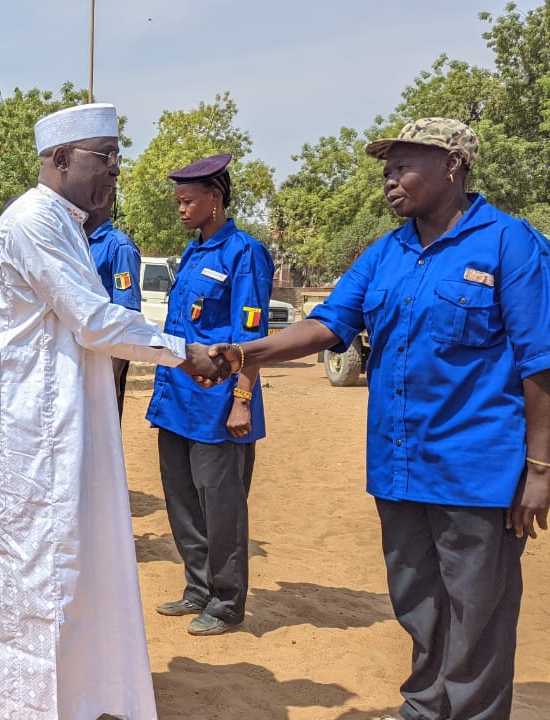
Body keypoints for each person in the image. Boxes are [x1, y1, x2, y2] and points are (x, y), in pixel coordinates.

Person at [207, 117, 550, 720]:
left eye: (403, 166)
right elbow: (329, 324)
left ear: (453, 166)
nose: (390, 181)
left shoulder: (510, 244)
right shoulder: (385, 253)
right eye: (387, 170)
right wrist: (242, 353)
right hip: (399, 465)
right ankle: (424, 706)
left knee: (478, 611)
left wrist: (541, 467)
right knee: (416, 599)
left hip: (478, 470)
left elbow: (540, 363)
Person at [0, 102, 227, 720]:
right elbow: (95, 321)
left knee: (63, 562)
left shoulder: (63, 220)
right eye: (107, 157)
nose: (116, 171)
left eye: (117, 158)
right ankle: (22, 701)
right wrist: (185, 352)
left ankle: (71, 693)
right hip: (30, 432)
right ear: (62, 158)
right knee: (35, 569)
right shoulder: (35, 221)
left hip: (53, 423)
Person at [145, 153, 274, 637]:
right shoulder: (194, 252)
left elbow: (251, 338)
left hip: (219, 406)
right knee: (182, 502)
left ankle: (226, 602)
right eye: (178, 200)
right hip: (176, 401)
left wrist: (243, 399)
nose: (180, 209)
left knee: (222, 508)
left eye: (188, 201)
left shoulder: (244, 253)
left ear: (215, 199)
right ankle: (197, 588)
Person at [83, 185, 143, 409]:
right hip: (78, 357)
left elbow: (126, 315)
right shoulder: (76, 242)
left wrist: (114, 373)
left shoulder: (119, 247)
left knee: (102, 438)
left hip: (105, 361)